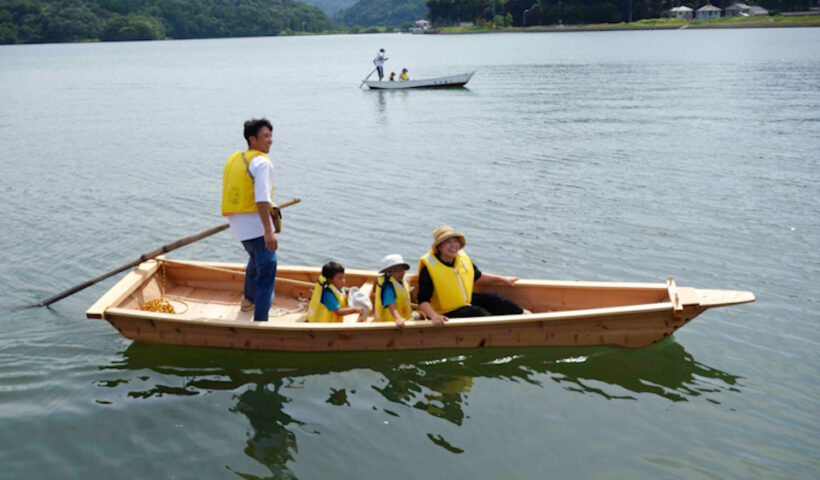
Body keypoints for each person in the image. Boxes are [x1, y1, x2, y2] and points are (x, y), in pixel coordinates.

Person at [417, 225, 531, 327]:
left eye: (455, 241)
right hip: (446, 312)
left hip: (464, 302)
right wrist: (434, 316)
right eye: (448, 242)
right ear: (439, 247)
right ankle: (504, 332)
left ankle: (527, 316)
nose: (453, 246)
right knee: (479, 313)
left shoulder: (460, 259)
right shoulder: (429, 269)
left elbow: (477, 276)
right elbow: (422, 300)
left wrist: (503, 279)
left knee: (492, 299)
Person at [222, 118, 278, 322]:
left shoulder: (239, 158)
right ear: (252, 139)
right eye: (265, 136)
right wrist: (268, 231)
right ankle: (261, 319)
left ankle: (248, 300)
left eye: (271, 135)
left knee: (255, 261)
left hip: (238, 225)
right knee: (268, 270)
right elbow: (262, 199)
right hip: (256, 227)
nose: (270, 140)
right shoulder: (262, 163)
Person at [375, 254, 412, 327]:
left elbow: (406, 282)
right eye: (396, 271)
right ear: (388, 273)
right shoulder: (388, 286)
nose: (400, 273)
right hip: (389, 322)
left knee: (421, 315)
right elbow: (390, 303)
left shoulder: (403, 279)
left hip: (406, 316)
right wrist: (397, 318)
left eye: (401, 270)